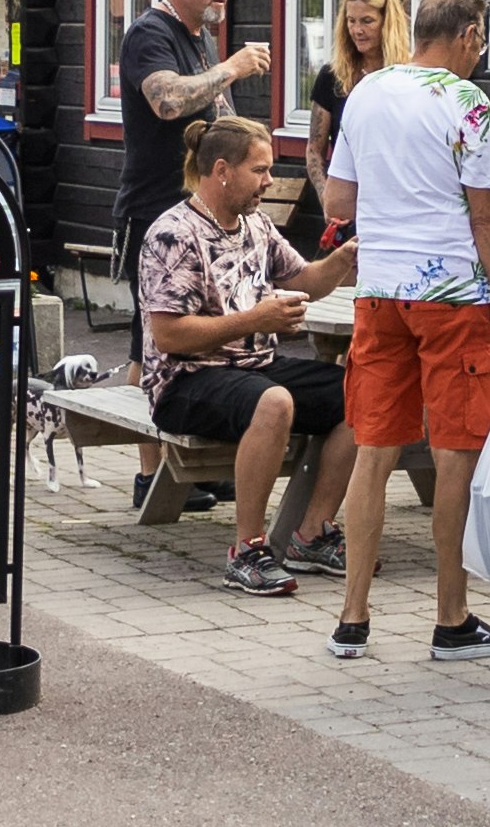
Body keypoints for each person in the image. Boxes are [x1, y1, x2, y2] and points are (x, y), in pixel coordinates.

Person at [325, 0, 490, 662]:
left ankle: (352, 619)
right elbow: (489, 218)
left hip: (379, 293)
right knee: (455, 456)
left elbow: (340, 198)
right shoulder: (465, 102)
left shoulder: (365, 92)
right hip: (452, 295)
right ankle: (451, 618)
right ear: (468, 36)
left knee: (374, 451)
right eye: (484, 41)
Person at [138, 113, 364, 596]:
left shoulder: (255, 225)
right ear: (222, 169)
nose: (269, 180)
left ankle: (312, 534)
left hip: (252, 367)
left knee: (361, 391)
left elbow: (305, 281)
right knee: (275, 401)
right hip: (185, 380)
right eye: (260, 170)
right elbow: (168, 336)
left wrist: (345, 259)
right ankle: (248, 551)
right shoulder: (174, 233)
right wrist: (254, 320)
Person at [113, 0, 270, 254]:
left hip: (206, 211)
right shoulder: (150, 33)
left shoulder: (202, 36)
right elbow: (167, 102)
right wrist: (232, 68)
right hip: (158, 214)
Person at [308, 0, 407, 247]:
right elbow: (314, 150)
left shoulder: (409, 75)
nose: (357, 30)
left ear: (388, 23)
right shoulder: (333, 76)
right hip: (348, 214)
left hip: (399, 210)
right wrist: (327, 197)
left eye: (367, 21)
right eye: (351, 21)